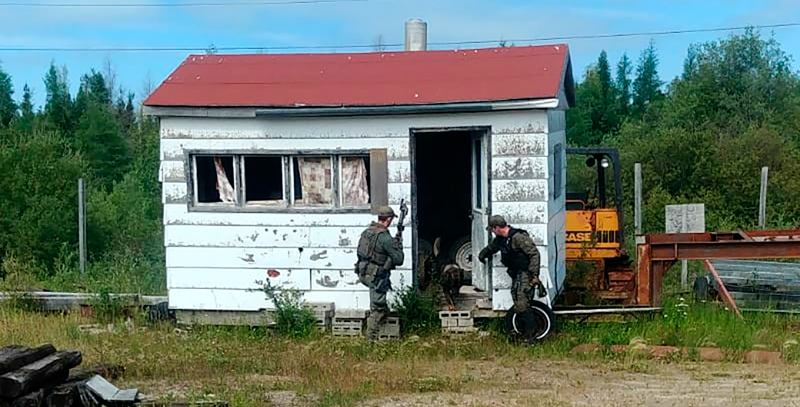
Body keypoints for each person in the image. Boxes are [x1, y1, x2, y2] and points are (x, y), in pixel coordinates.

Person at [355, 205, 405, 341]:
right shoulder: (385, 237)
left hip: (364, 272)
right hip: (377, 276)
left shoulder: (367, 232)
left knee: (378, 305)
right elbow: (399, 259)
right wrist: (398, 246)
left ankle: (383, 332)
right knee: (378, 310)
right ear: (388, 220)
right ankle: (370, 341)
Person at [477, 215, 543, 312]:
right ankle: (523, 325)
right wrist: (482, 255)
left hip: (525, 275)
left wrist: (534, 275)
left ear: (497, 228)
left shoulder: (518, 237)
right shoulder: (501, 239)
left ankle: (530, 326)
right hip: (516, 275)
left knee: (523, 305)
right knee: (517, 301)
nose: (492, 233)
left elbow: (534, 254)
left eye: (492, 230)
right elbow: (491, 248)